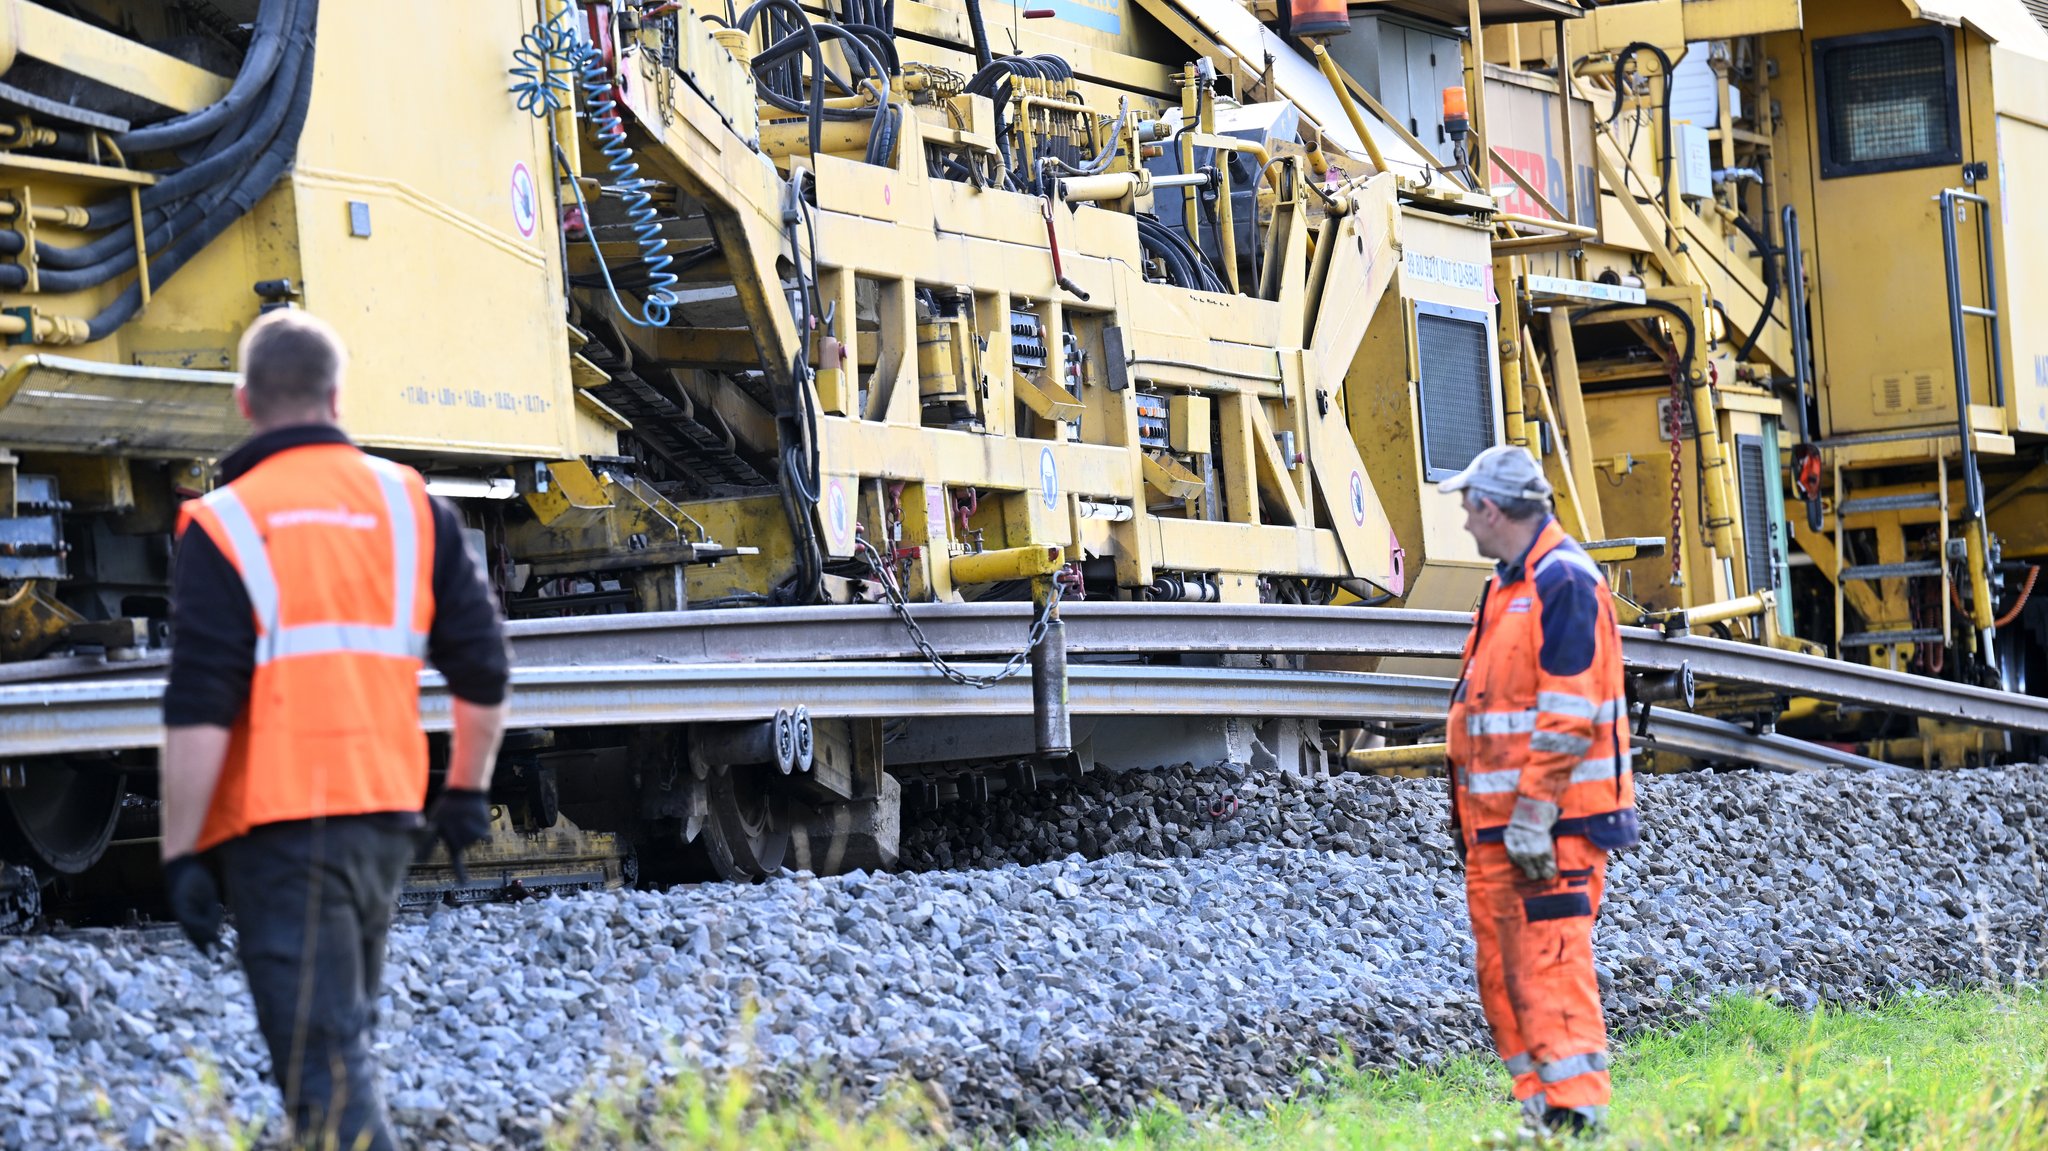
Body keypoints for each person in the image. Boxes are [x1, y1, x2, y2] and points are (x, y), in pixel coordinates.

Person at [157, 309, 511, 1151]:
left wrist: (179, 851)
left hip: (283, 831)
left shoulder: (224, 523)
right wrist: (464, 789)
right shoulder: (411, 506)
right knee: (336, 1045)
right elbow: (486, 668)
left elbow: (200, 704)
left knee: (323, 1074)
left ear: (245, 402)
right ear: (338, 397)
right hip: (383, 818)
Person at [1441, 445, 1639, 1137]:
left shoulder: (1562, 582)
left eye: (1468, 509)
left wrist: (1533, 813)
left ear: (1492, 509)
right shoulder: (1509, 584)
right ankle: (1545, 1112)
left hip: (1553, 827)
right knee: (1505, 976)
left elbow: (1568, 713)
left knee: (1549, 967)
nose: (1464, 524)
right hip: (1499, 828)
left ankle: (1578, 1113)